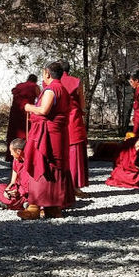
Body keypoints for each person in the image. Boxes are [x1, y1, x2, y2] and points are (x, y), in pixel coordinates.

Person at [19, 61, 74, 220]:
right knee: (56, 166)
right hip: (59, 133)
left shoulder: (52, 89)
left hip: (47, 134)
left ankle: (34, 207)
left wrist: (29, 107)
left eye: (44, 73)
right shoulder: (63, 89)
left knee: (42, 164)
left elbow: (44, 110)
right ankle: (54, 208)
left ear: (47, 74)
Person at [60, 60, 89, 197]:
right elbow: (82, 104)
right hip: (74, 120)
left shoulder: (50, 83)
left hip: (59, 120)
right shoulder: (77, 81)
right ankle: (75, 186)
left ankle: (60, 186)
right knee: (75, 153)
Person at [5, 75, 40, 160]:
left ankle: (12, 156)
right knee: (26, 133)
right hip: (26, 111)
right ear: (35, 81)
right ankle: (24, 156)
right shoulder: (35, 86)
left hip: (15, 111)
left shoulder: (19, 85)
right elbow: (40, 99)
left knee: (14, 133)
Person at [0, 138, 29, 210]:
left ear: (18, 151)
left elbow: (33, 185)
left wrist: (19, 192)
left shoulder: (31, 162)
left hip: (27, 193)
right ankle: (20, 204)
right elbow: (13, 181)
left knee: (24, 198)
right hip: (17, 190)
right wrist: (7, 190)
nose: (10, 154)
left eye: (11, 151)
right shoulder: (16, 161)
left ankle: (7, 203)